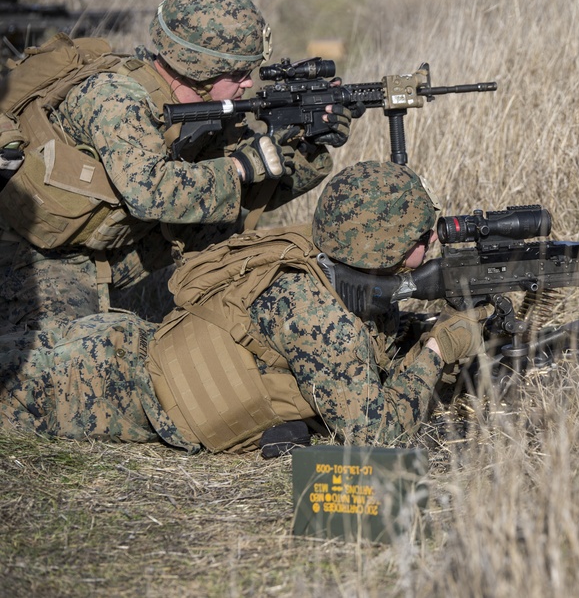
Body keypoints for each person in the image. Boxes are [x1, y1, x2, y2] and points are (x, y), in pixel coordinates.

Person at [0, 161, 491, 453]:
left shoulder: (320, 258)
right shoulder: (323, 321)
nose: (434, 240)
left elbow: (369, 352)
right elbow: (376, 439)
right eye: (422, 235)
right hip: (93, 388)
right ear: (382, 249)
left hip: (114, 348)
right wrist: (436, 350)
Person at [0, 0, 352, 333]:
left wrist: (309, 144)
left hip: (110, 242)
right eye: (239, 73)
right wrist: (242, 165)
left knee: (225, 220)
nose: (248, 83)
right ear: (201, 68)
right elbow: (148, 193)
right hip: (39, 254)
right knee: (77, 357)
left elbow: (250, 195)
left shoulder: (206, 109)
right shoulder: (116, 98)